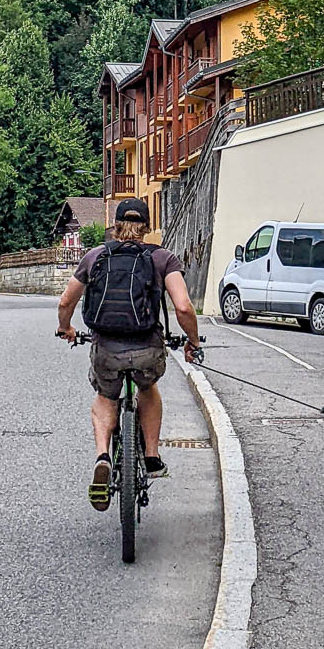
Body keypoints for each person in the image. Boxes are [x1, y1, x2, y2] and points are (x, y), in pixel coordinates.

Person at [56, 197, 201, 511]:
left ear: (116, 226)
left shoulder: (95, 256)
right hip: (147, 347)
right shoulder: (163, 259)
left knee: (105, 398)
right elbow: (183, 307)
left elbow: (66, 301)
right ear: (146, 228)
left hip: (106, 349)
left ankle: (103, 458)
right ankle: (150, 456)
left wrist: (66, 328)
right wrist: (193, 342)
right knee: (149, 390)